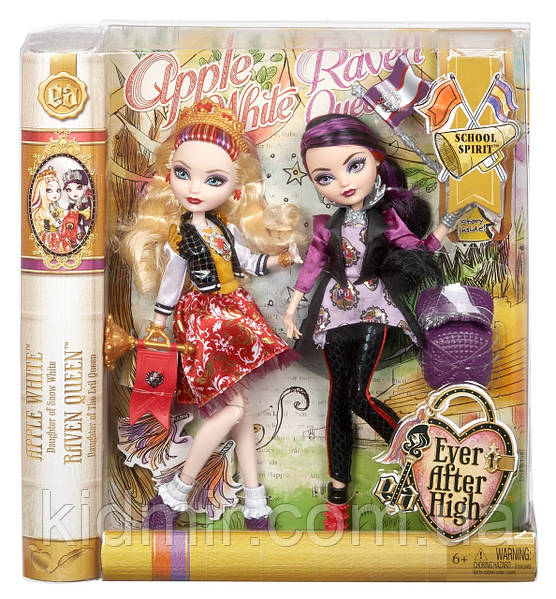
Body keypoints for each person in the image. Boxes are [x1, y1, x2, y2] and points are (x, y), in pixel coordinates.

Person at [120, 98, 309, 529]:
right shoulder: (181, 237)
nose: (195, 188)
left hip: (235, 314)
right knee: (233, 410)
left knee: (241, 408)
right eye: (182, 173)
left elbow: (248, 263)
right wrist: (158, 326)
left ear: (235, 186)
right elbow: (170, 287)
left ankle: (255, 503)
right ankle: (174, 492)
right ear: (169, 174)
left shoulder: (225, 227)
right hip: (205, 324)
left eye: (214, 179)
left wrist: (282, 260)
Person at [282, 114, 470, 530]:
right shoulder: (326, 226)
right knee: (338, 400)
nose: (343, 182)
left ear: (376, 160)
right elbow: (311, 269)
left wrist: (447, 225)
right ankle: (337, 496)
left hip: (374, 310)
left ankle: (416, 453)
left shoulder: (387, 220)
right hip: (333, 314)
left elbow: (419, 248)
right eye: (325, 177)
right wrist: (293, 308)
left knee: (357, 394)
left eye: (354, 166)